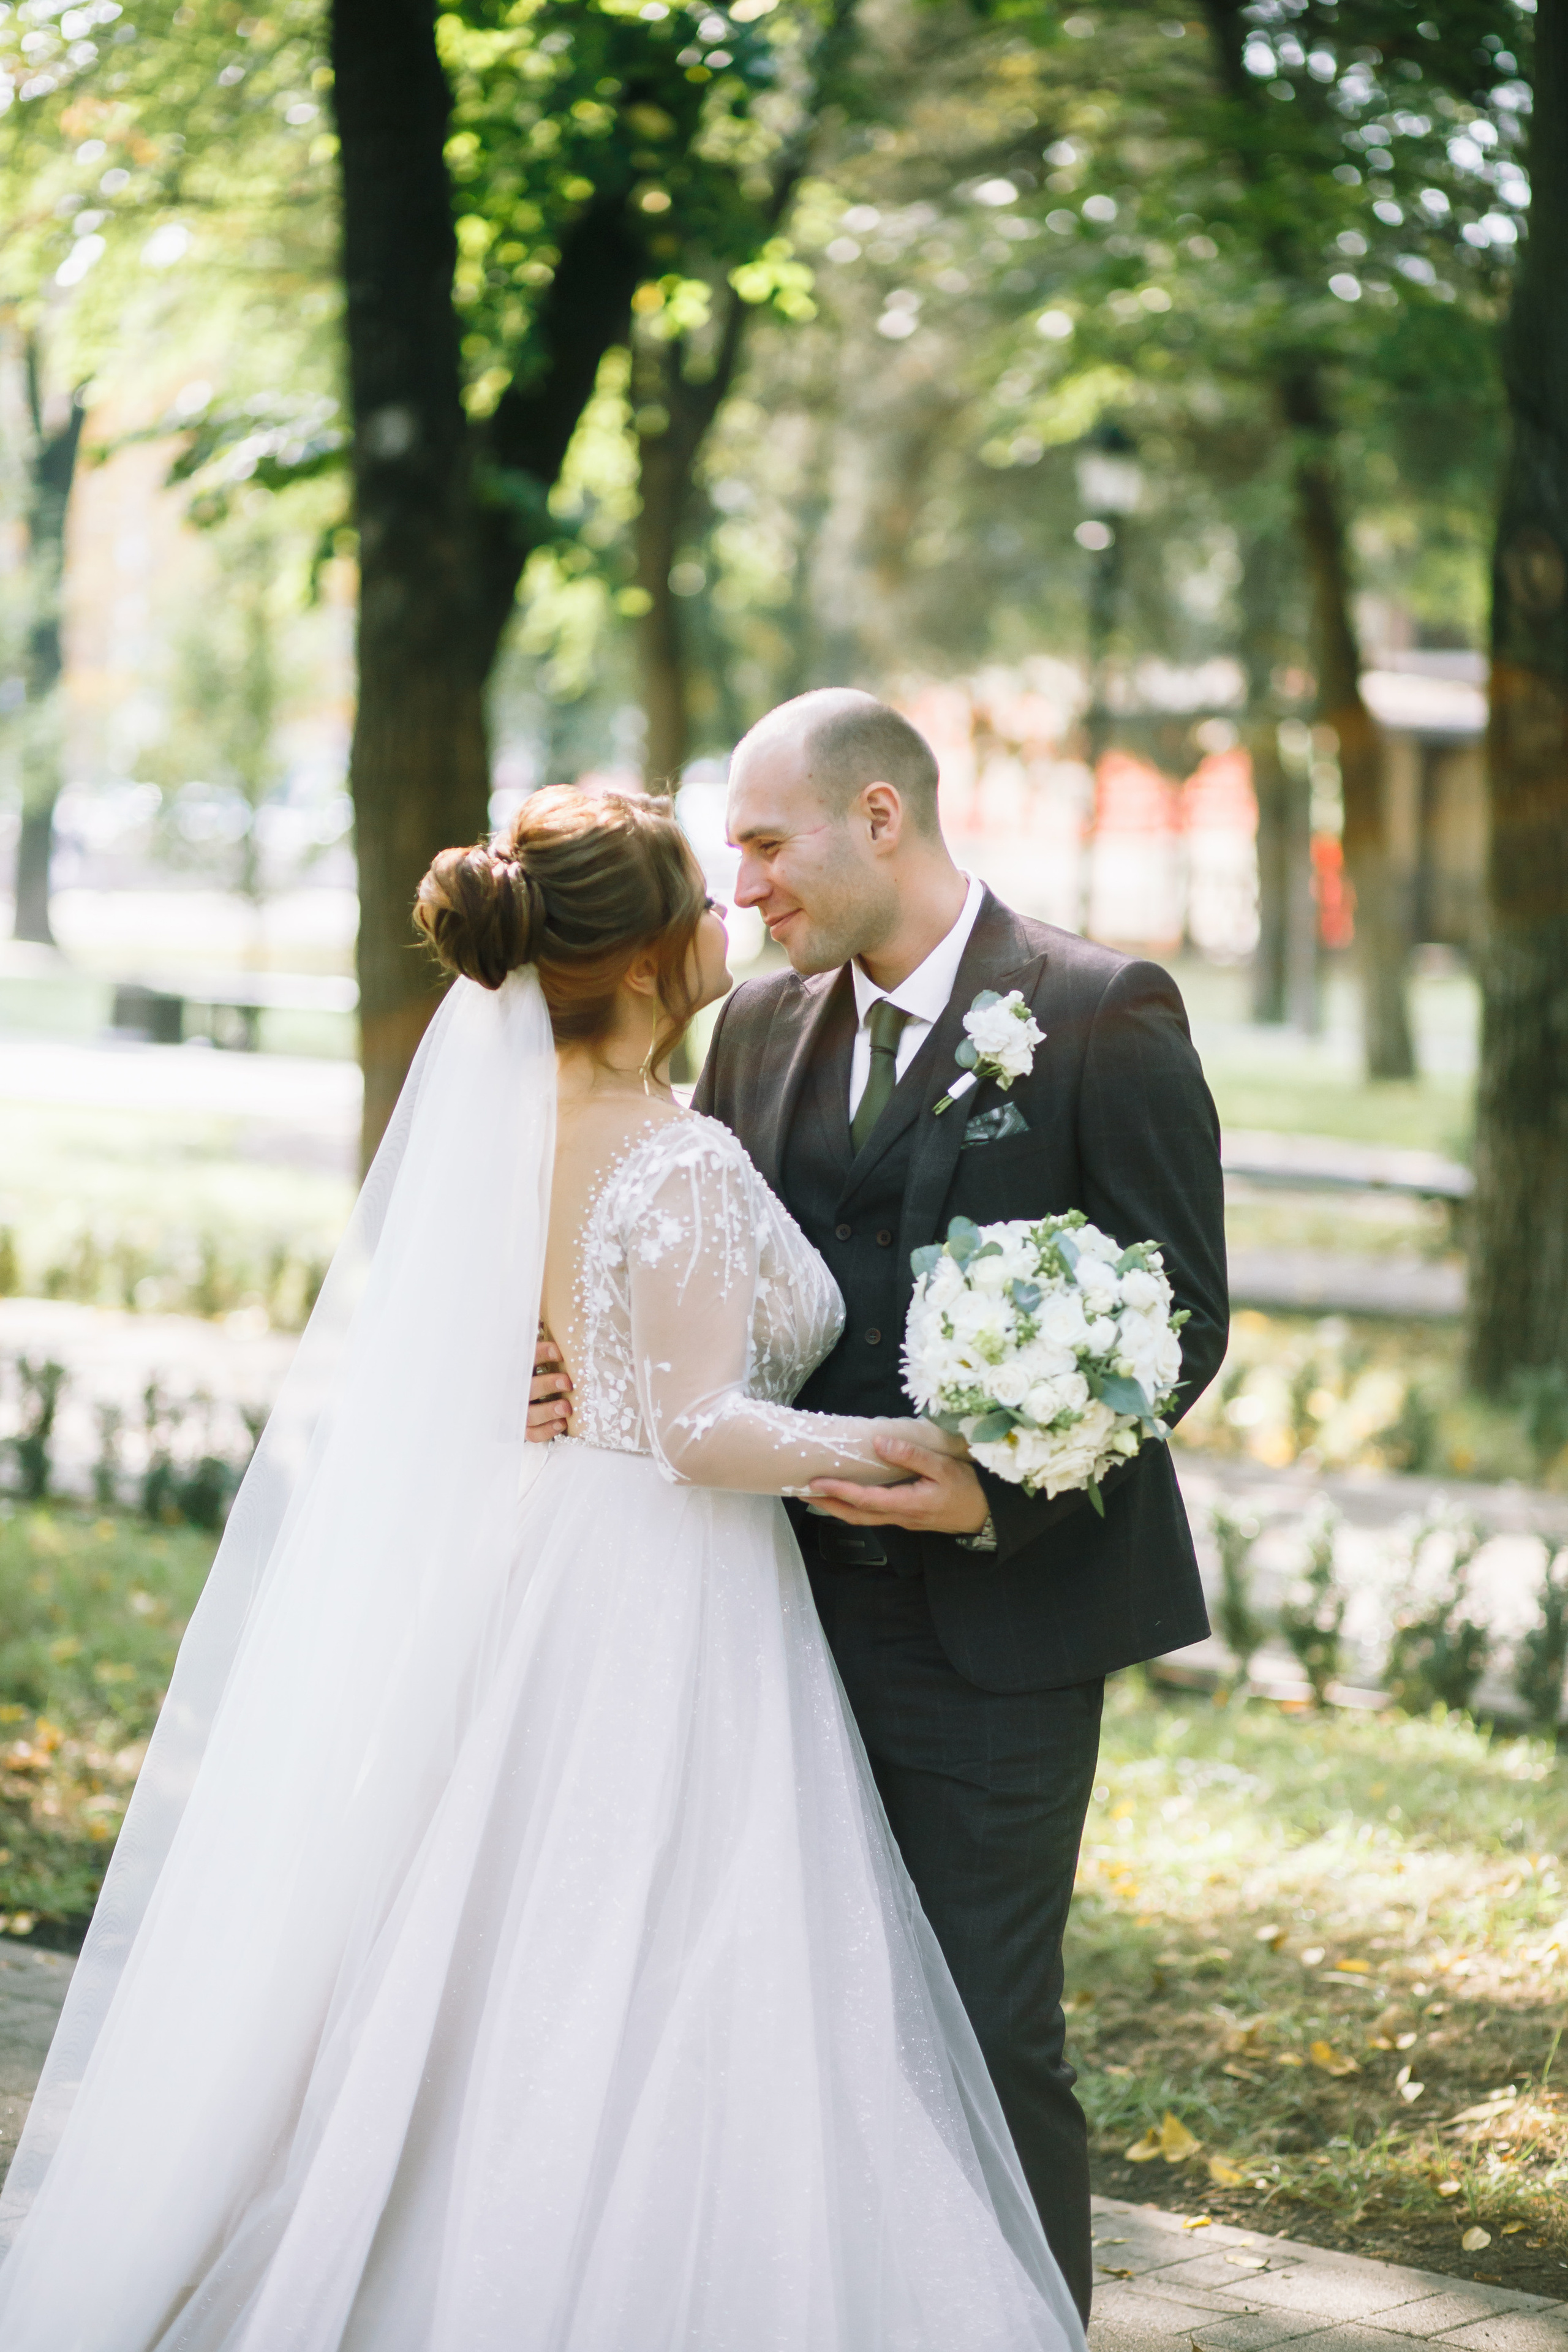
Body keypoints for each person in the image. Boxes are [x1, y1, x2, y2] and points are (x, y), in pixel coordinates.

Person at [0, 786, 1084, 2352]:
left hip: (549, 1555)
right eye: (697, 898)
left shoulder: (514, 1134)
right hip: (668, 1586)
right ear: (643, 962)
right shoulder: (673, 1157)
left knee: (523, 1934)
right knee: (659, 1947)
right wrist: (906, 1449)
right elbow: (697, 1430)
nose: (727, 911)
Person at [530, 694, 1229, 2316]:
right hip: (755, 1617)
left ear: (880, 818)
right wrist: (550, 1362)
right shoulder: (756, 1028)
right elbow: (677, 1269)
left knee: (982, 2034)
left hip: (994, 1627)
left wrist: (994, 1483)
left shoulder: (1097, 1009)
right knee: (781, 2024)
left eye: (767, 844)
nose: (744, 884)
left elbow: (1181, 1311)